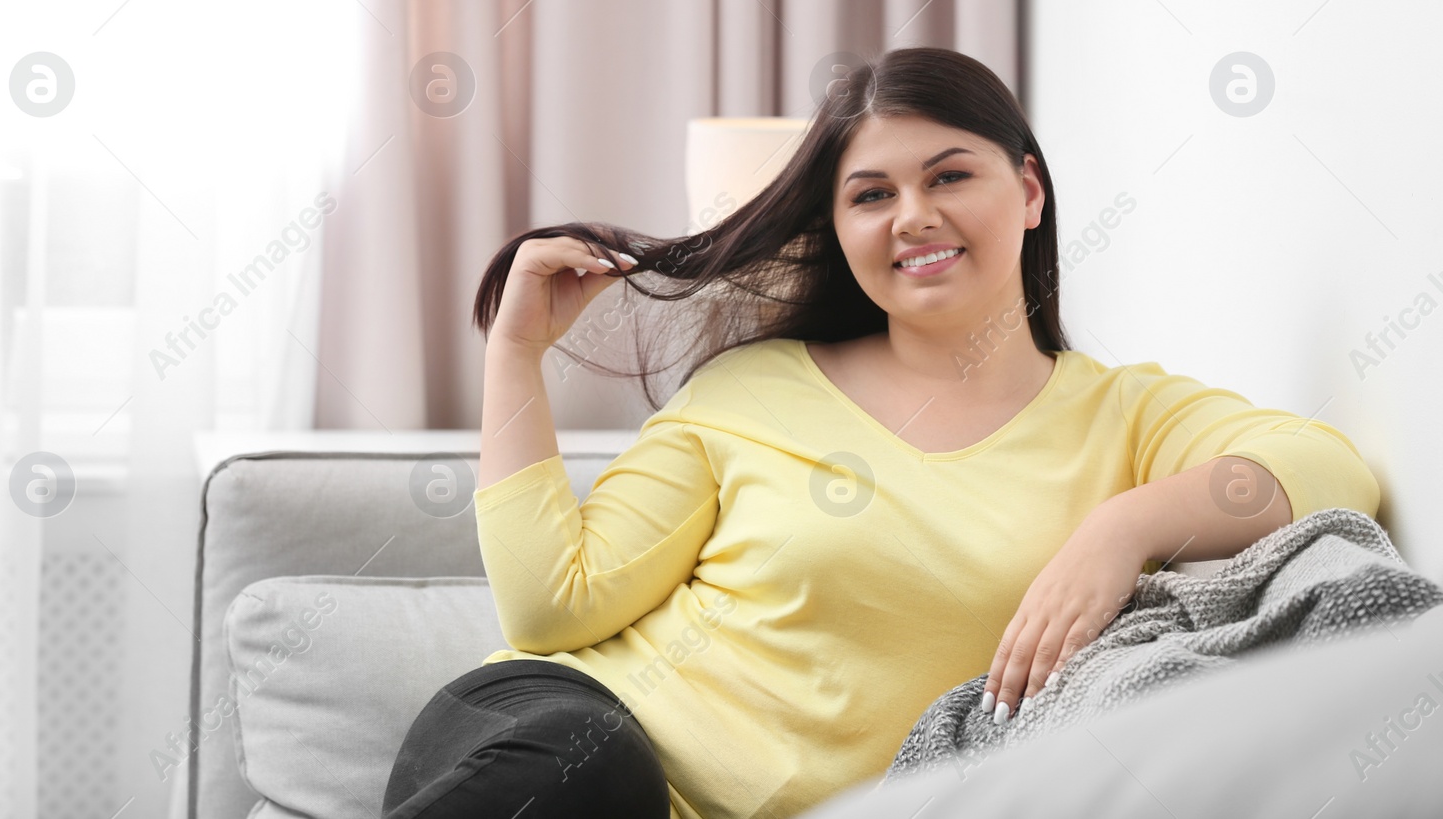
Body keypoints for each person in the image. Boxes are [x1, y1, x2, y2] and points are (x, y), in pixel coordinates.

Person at [379, 46, 1381, 819]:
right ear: (840, 225)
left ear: (1027, 191)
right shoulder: (749, 388)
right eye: (871, 193)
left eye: (949, 176)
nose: (912, 215)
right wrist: (514, 355)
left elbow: (1328, 468)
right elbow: (554, 604)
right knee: (592, 772)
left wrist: (1116, 529)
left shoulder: (1121, 414)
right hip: (558, 736)